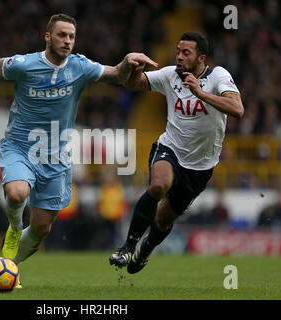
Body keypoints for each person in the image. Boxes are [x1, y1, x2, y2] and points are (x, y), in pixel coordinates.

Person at [0, 13, 156, 286]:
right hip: (20, 147)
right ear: (47, 36)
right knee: (16, 193)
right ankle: (14, 226)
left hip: (56, 157)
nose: (67, 41)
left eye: (71, 36)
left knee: (41, 228)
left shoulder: (80, 67)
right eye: (61, 35)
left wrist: (128, 62)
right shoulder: (25, 64)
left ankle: (8, 267)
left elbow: (117, 75)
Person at [109, 31, 244, 274]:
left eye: (186, 53)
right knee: (159, 185)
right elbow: (132, 85)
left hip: (200, 166)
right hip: (169, 148)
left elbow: (237, 109)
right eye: (178, 51)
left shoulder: (218, 76)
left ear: (201, 58)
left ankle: (146, 249)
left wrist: (201, 94)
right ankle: (128, 247)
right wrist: (135, 70)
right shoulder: (170, 75)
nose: (179, 57)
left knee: (163, 220)